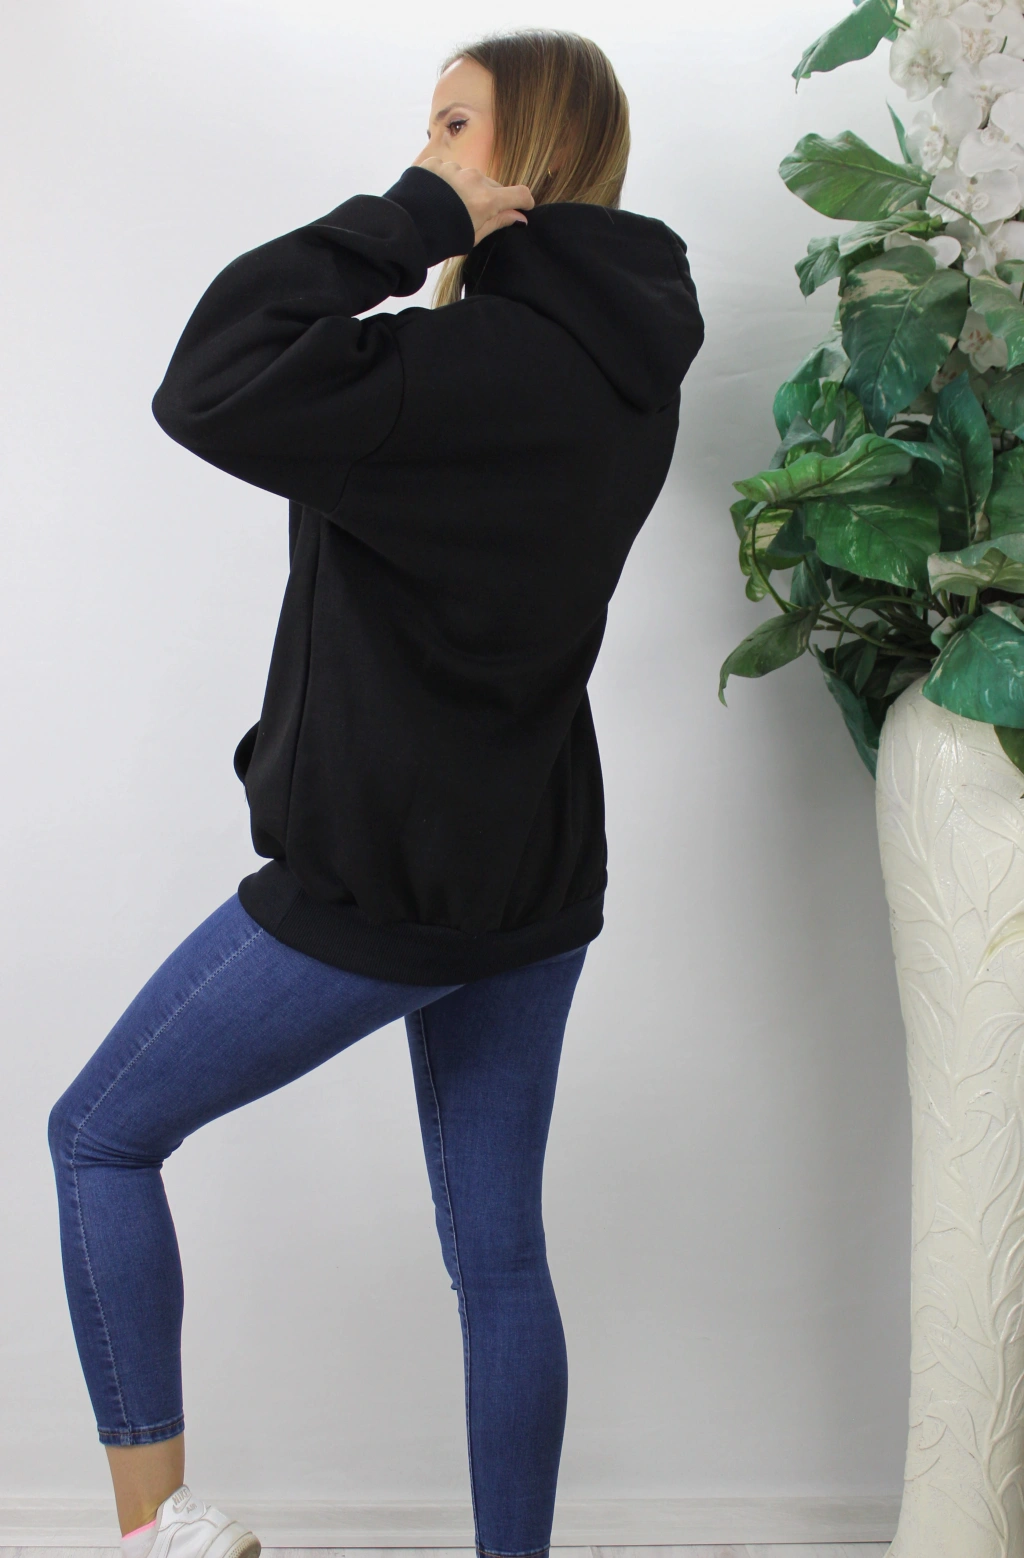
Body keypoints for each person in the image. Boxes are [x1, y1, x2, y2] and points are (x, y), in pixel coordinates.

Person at [47, 26, 705, 1558]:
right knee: (501, 1257)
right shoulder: (627, 373)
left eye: (455, 126)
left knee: (99, 1136)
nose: (426, 150)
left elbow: (210, 379)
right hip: (536, 869)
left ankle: (157, 1535)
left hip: (385, 873)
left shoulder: (445, 371)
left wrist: (410, 220)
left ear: (529, 156)